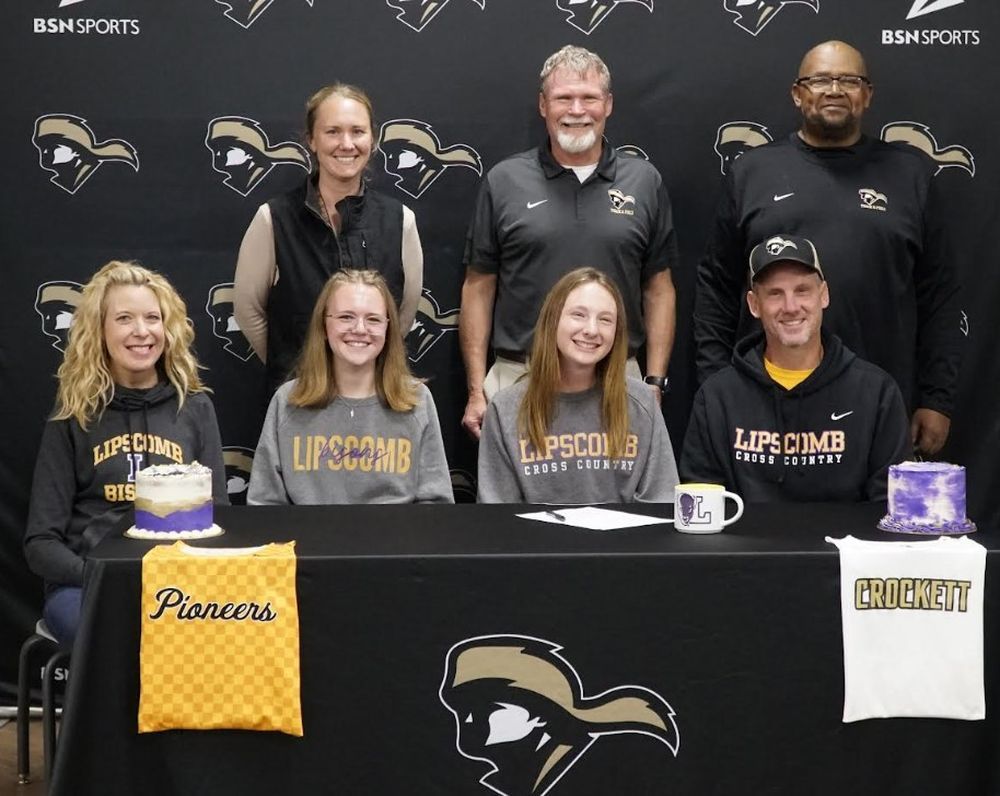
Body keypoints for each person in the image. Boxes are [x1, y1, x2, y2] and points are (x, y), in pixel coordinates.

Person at [695, 40, 963, 456]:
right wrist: (715, 383)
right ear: (798, 93)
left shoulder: (911, 174)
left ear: (867, 94)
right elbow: (716, 286)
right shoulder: (751, 173)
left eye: (849, 80)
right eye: (820, 80)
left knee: (876, 520)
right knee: (762, 523)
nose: (834, 89)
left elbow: (939, 297)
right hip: (763, 402)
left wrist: (937, 398)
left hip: (880, 402)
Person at [460, 44, 678, 438]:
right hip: (518, 376)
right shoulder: (504, 180)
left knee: (618, 499)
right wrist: (477, 389)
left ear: (608, 104)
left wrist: (654, 382)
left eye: (589, 98)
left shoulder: (644, 182)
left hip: (615, 377)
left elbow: (658, 289)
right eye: (564, 98)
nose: (577, 110)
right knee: (512, 500)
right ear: (543, 105)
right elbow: (479, 287)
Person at [24, 261, 228, 644]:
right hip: (87, 585)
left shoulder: (195, 408)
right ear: (99, 330)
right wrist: (99, 572)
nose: (141, 331)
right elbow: (41, 543)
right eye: (124, 319)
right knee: (117, 637)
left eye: (153, 317)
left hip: (179, 585)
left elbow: (220, 515)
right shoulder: (73, 414)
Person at [682, 235, 910, 502]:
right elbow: (702, 502)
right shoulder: (717, 397)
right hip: (747, 544)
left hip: (846, 544)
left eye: (802, 290)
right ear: (754, 305)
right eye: (775, 294)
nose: (790, 307)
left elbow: (890, 507)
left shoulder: (876, 393)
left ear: (824, 295)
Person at [234, 83, 423, 399]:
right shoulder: (273, 218)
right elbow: (248, 311)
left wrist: (364, 363)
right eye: (333, 131)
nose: (346, 144)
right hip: (298, 402)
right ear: (311, 139)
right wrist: (300, 369)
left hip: (376, 401)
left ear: (372, 139)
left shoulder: (400, 219)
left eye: (357, 132)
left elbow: (402, 312)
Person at [248, 269, 453, 505]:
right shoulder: (288, 401)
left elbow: (436, 506)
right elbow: (264, 504)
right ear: (324, 326)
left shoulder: (416, 400)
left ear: (388, 328)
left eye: (373, 319)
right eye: (346, 317)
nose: (359, 329)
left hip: (396, 540)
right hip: (308, 541)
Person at [477, 268, 677, 504]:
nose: (591, 330)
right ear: (552, 320)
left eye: (605, 320)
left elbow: (661, 503)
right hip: (534, 541)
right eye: (578, 315)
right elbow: (497, 516)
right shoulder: (505, 409)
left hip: (624, 541)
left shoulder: (642, 403)